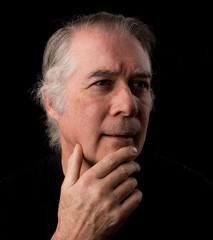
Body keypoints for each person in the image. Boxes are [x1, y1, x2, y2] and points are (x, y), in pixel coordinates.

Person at [0, 11, 213, 240]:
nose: (129, 106)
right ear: (52, 103)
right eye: (102, 83)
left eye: (140, 84)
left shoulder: (196, 197)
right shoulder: (6, 204)